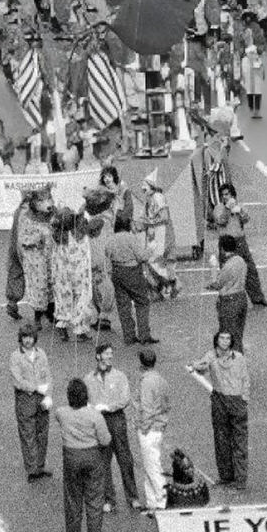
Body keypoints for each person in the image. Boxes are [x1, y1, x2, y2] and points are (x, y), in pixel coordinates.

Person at [57, 374, 111, 532]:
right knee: (94, 500)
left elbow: (59, 413)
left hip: (71, 457)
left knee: (72, 501)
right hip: (92, 456)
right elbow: (105, 440)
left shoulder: (62, 413)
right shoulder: (95, 416)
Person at [191, 329, 249, 491]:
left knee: (239, 441)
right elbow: (202, 367)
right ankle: (226, 475)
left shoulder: (238, 357)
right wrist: (197, 365)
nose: (225, 341)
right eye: (222, 338)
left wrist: (244, 398)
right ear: (216, 340)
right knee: (221, 439)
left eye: (228, 338)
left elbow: (246, 379)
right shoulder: (211, 356)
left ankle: (240, 478)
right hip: (220, 399)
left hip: (236, 399)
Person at [87, 341, 142, 512]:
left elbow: (125, 399)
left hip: (116, 419)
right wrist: (90, 407)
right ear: (98, 356)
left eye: (111, 353)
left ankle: (133, 496)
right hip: (99, 421)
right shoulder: (88, 379)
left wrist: (109, 407)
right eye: (106, 353)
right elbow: (85, 399)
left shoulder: (120, 376)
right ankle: (109, 499)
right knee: (103, 461)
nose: (110, 356)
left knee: (124, 459)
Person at [106, 211, 159, 346]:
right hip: (132, 271)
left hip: (117, 271)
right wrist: (151, 249)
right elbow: (142, 256)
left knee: (123, 304)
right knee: (142, 301)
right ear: (127, 224)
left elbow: (107, 253)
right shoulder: (131, 238)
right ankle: (144, 335)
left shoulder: (111, 238)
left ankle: (129, 335)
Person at [11, 323, 54, 481]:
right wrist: (37, 388)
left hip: (41, 397)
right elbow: (18, 380)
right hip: (26, 398)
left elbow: (48, 375)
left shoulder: (41, 353)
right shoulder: (16, 356)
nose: (27, 341)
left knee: (42, 433)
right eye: (24, 337)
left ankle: (40, 466)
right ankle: (32, 469)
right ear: (20, 339)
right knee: (28, 434)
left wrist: (48, 394)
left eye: (30, 337)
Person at [137, 344, 171, 512]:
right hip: (159, 426)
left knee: (152, 466)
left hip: (149, 429)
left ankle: (161, 500)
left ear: (141, 364)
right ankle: (152, 502)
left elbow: (147, 408)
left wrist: (143, 427)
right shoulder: (161, 379)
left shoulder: (146, 382)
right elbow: (166, 404)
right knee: (150, 464)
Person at [208, 235, 250, 350]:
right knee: (237, 335)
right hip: (241, 297)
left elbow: (218, 284)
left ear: (222, 249)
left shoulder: (228, 265)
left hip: (229, 301)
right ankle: (239, 360)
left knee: (227, 337)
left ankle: (231, 364)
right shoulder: (241, 261)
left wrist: (212, 273)